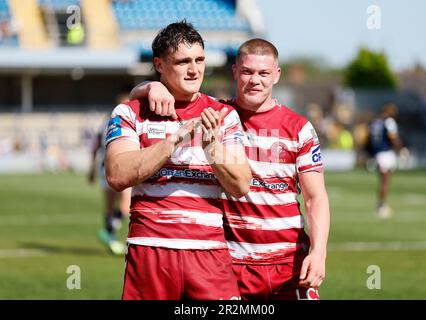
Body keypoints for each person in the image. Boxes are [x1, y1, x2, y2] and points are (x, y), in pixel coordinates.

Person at [130, 38, 330, 300]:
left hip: (289, 265)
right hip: (231, 267)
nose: (255, 80)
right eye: (247, 71)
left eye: (264, 73)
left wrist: (319, 252)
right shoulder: (217, 114)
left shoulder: (298, 128)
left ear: (277, 75)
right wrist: (152, 86)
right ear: (235, 71)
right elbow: (140, 97)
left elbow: (315, 198)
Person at [104, 21, 251, 300]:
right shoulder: (130, 112)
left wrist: (212, 147)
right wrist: (172, 141)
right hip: (150, 252)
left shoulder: (223, 115)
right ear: (159, 65)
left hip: (209, 254)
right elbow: (116, 175)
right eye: (183, 61)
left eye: (200, 60)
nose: (194, 69)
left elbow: (241, 184)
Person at [88, 94, 131, 255]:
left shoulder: (130, 121)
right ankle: (111, 235)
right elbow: (96, 147)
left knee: (123, 205)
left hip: (121, 166)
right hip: (107, 167)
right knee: (112, 205)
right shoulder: (109, 122)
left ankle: (110, 232)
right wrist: (91, 169)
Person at [367, 103, 406, 218]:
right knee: (385, 180)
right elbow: (392, 137)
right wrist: (402, 148)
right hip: (386, 153)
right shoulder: (389, 122)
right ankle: (382, 205)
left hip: (378, 153)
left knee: (383, 180)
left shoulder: (375, 122)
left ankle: (382, 204)